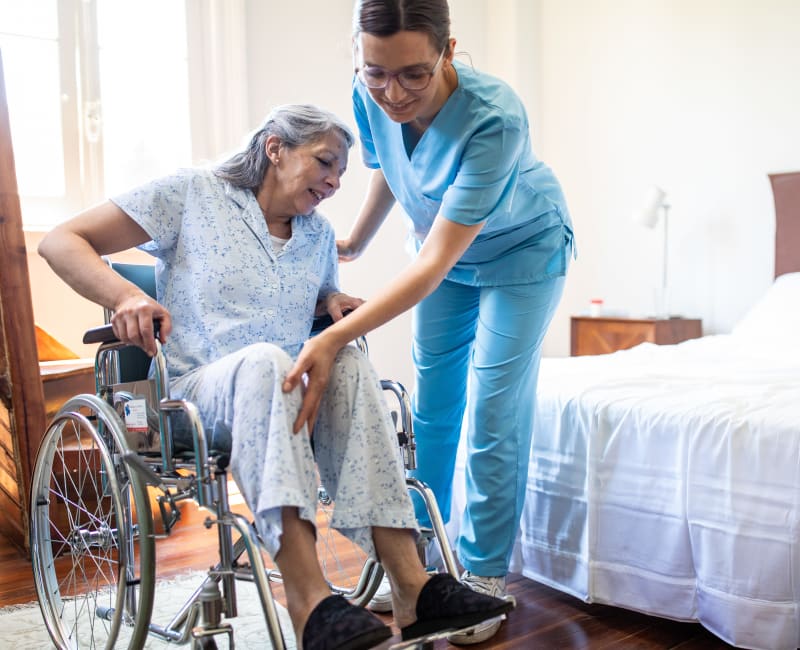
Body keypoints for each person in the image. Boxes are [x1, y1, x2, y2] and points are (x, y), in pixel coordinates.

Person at [38, 104, 513, 650]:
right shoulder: (193, 193)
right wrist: (125, 295)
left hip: (289, 400)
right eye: (325, 162)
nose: (335, 182)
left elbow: (306, 300)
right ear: (275, 148)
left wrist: (331, 300)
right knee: (266, 359)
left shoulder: (317, 235)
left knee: (348, 358)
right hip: (197, 396)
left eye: (341, 173)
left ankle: (413, 587)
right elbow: (61, 240)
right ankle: (309, 603)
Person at [283, 2, 574, 644]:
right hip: (441, 251)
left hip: (520, 253)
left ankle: (484, 573)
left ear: (449, 51)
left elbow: (438, 260)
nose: (393, 93)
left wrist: (333, 337)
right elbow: (394, 168)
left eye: (413, 75)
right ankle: (418, 566)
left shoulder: (494, 118)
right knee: (433, 410)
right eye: (376, 74)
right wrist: (354, 240)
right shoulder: (371, 90)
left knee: (494, 408)